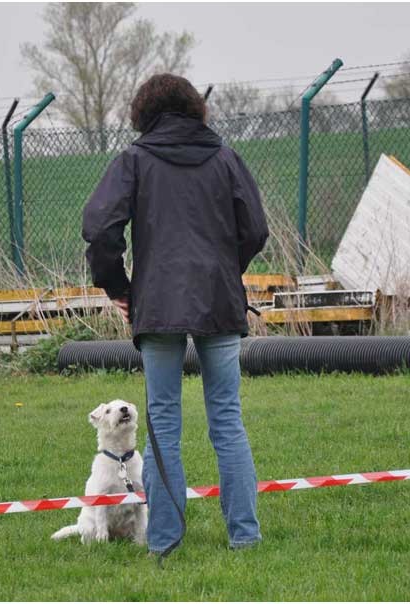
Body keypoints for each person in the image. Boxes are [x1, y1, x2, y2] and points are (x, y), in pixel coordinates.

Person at [82, 73, 269, 556]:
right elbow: (256, 229)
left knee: (164, 424)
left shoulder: (134, 161)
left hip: (158, 306)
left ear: (143, 114)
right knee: (227, 421)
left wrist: (120, 289)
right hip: (220, 302)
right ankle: (244, 537)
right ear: (195, 110)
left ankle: (164, 542)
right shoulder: (226, 158)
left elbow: (101, 228)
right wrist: (226, 271)